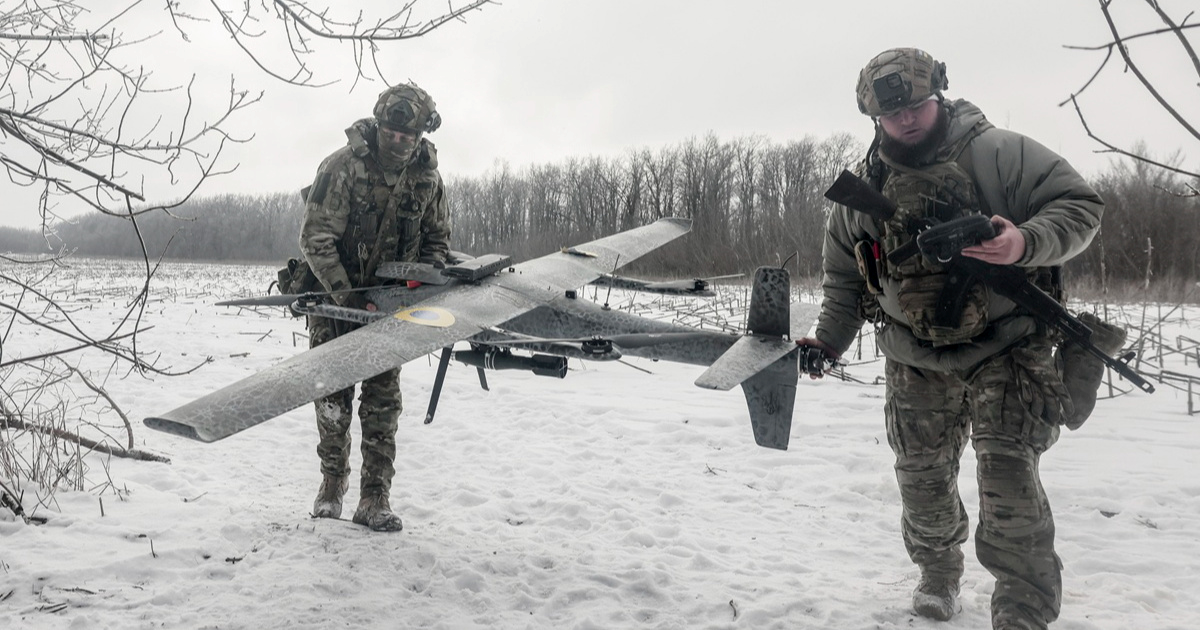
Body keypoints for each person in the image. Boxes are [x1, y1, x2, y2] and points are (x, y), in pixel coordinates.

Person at [798, 48, 1113, 629]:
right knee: (922, 482)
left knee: (1009, 480)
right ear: (873, 117)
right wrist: (828, 341)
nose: (906, 120)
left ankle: (1021, 611)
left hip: (1006, 345)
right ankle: (938, 574)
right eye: (892, 114)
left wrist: (1023, 241)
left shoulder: (1000, 153)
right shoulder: (862, 189)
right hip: (913, 354)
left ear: (938, 95)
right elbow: (845, 280)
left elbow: (1082, 206)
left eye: (916, 106)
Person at [298, 82, 451, 532]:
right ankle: (332, 484)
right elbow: (315, 238)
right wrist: (348, 299)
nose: (398, 142)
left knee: (383, 403)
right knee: (332, 396)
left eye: (408, 136)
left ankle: (374, 497)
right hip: (335, 301)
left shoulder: (427, 179)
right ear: (379, 125)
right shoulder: (342, 167)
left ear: (420, 136)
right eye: (391, 132)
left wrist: (416, 285)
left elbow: (437, 241)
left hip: (389, 307)